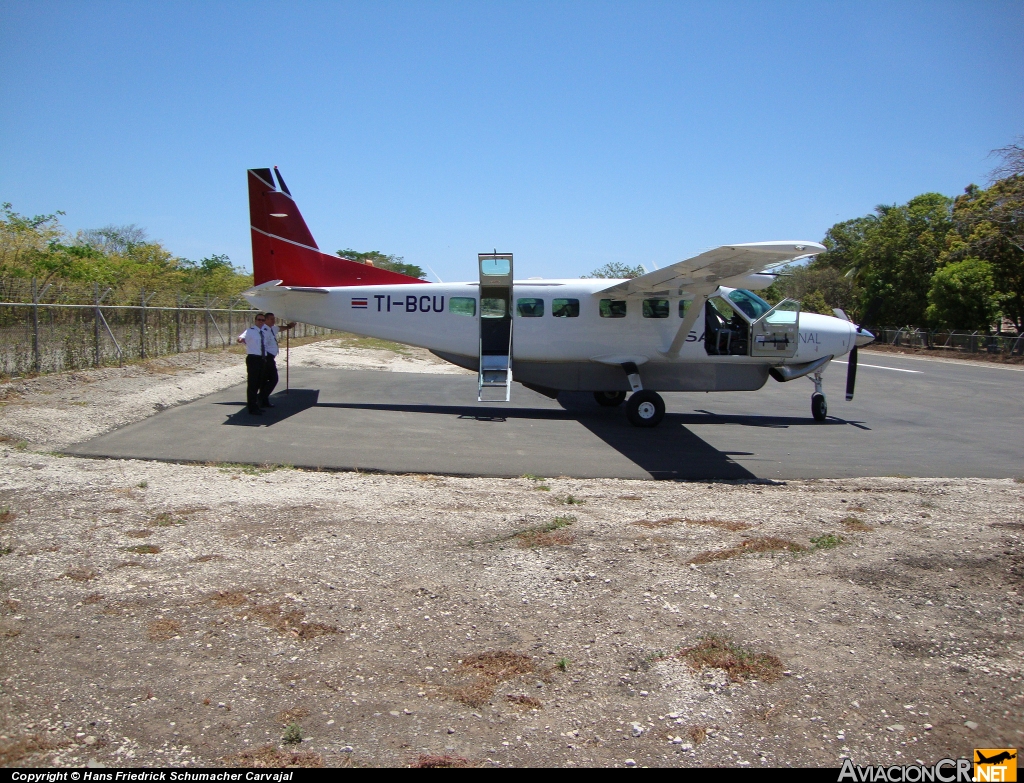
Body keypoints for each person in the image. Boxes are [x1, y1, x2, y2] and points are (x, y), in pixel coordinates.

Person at [259, 312, 296, 408]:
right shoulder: (263, 330)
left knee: (265, 380)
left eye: (273, 319)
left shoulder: (272, 329)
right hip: (266, 358)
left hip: (270, 357)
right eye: (271, 319)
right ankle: (260, 397)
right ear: (266, 320)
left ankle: (264, 400)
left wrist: (289, 326)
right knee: (273, 379)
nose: (273, 320)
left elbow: (279, 328)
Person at [236, 312, 268, 415]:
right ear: (255, 320)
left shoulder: (265, 331)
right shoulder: (250, 331)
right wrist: (240, 339)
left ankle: (257, 404)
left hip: (262, 358)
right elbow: (241, 338)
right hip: (253, 358)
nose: (261, 322)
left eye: (263, 320)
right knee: (252, 384)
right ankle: (252, 407)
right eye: (259, 320)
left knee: (260, 382)